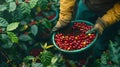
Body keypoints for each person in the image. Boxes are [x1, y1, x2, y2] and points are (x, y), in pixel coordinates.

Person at [52, 0, 120, 58]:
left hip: (113, 10)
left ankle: (96, 59)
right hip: (87, 5)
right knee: (77, 29)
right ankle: (77, 57)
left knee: (100, 44)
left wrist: (104, 22)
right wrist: (64, 17)